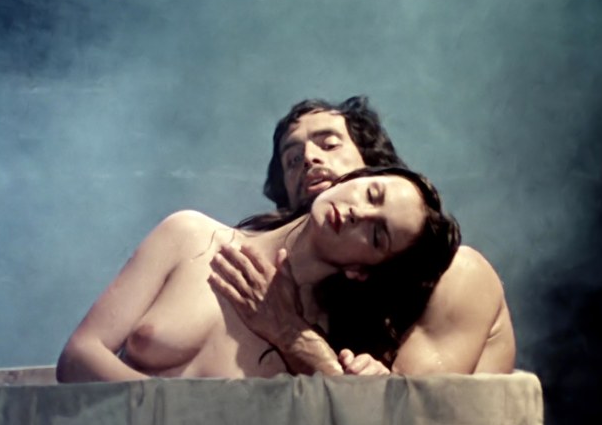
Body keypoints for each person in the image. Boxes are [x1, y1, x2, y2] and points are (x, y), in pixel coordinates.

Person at [56, 166, 459, 382]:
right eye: (371, 193)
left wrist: (320, 359)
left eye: (376, 234)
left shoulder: (321, 346)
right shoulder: (189, 234)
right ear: (351, 179)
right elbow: (78, 356)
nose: (359, 213)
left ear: (361, 271)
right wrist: (173, 416)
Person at [210, 96, 516, 376]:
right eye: (292, 159)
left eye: (329, 145)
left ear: (371, 169)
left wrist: (293, 335)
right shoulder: (274, 288)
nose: (309, 158)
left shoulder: (457, 272)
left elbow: (408, 411)